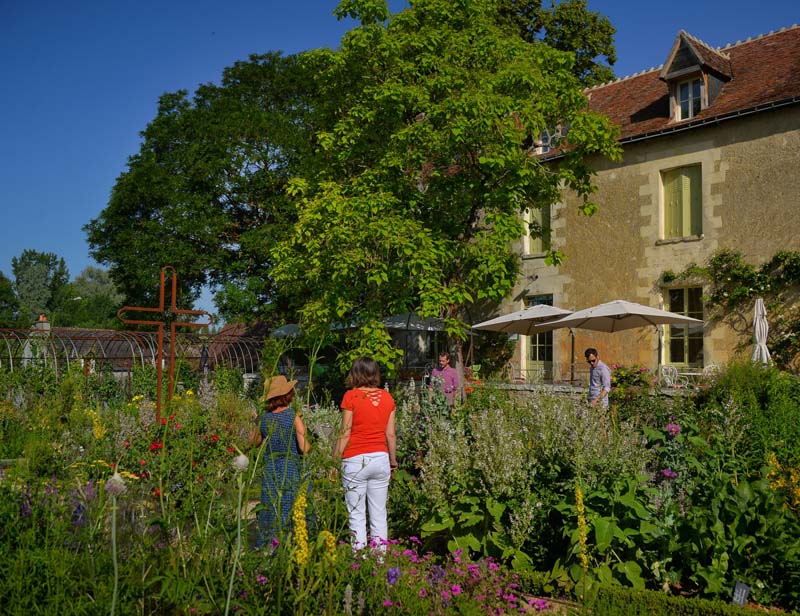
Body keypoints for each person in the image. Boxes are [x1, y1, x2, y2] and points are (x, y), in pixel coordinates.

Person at [332, 357, 398, 551]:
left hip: (355, 460)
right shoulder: (388, 398)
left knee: (356, 515)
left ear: (356, 374)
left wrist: (334, 461)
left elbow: (345, 432)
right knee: (379, 514)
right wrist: (393, 460)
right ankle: (379, 562)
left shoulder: (351, 396)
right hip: (380, 458)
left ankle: (358, 563)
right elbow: (391, 434)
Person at [250, 374, 310, 548]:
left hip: (270, 468)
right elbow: (304, 448)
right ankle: (288, 544)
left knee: (270, 506)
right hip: (289, 467)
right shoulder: (293, 416)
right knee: (289, 505)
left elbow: (253, 442)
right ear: (287, 395)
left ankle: (269, 544)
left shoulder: (265, 418)